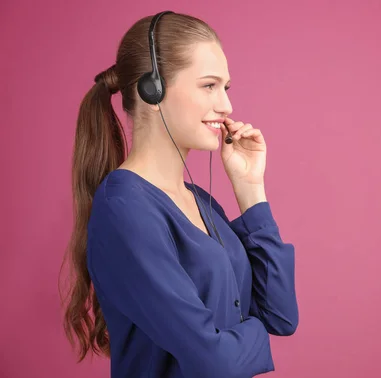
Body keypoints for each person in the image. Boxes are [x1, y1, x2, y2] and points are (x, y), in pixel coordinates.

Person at [60, 10, 299, 378]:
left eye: (226, 87)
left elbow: (280, 316)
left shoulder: (201, 202)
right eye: (209, 86)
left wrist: (250, 189)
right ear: (152, 89)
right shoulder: (124, 210)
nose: (227, 105)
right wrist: (253, 333)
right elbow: (213, 361)